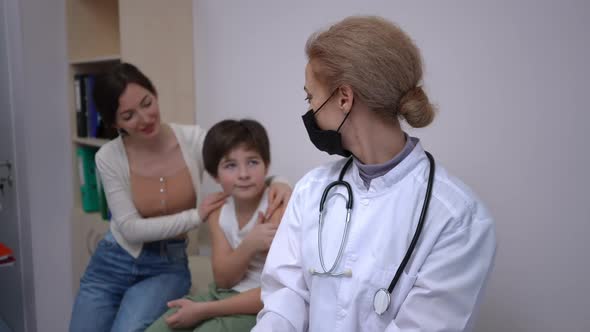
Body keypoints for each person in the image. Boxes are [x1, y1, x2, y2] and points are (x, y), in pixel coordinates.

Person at [252, 16, 496, 332]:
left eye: (310, 96)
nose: (310, 109)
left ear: (343, 97)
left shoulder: (458, 219)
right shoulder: (311, 190)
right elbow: (286, 297)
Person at [68, 63, 291, 332]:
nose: (144, 118)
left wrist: (280, 182)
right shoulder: (108, 157)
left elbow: (234, 154)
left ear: (155, 94)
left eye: (146, 103)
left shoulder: (193, 139)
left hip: (167, 263)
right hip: (115, 257)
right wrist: (196, 216)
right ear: (114, 123)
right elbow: (130, 229)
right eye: (128, 115)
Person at [146, 119, 286, 331]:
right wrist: (250, 245)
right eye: (230, 165)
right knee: (160, 328)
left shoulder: (277, 207)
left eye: (253, 162)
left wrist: (205, 310)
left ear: (266, 166)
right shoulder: (219, 210)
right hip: (223, 294)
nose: (244, 174)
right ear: (214, 175)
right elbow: (223, 280)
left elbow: (278, 291)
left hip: (261, 305)